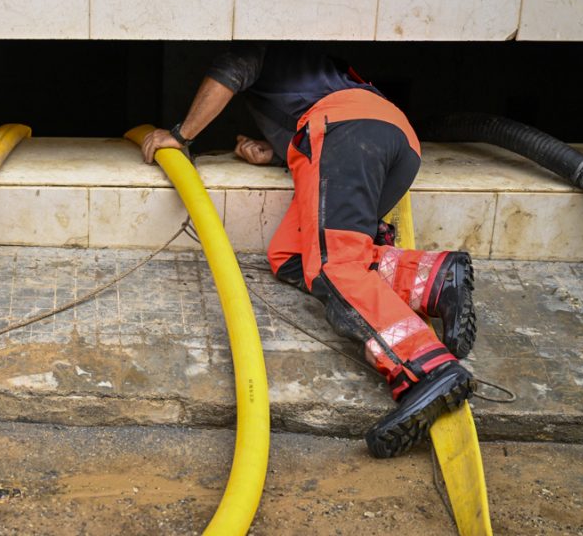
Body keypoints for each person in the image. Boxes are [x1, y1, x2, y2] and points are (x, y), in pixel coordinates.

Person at [142, 42, 476, 459]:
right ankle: (430, 279)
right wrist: (276, 151)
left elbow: (233, 68)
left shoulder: (256, 46)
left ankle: (427, 369)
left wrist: (178, 135)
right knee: (293, 256)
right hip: (391, 136)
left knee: (336, 268)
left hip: (345, 130)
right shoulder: (307, 68)